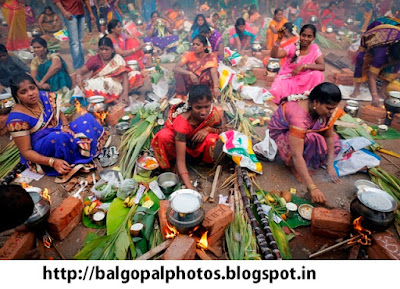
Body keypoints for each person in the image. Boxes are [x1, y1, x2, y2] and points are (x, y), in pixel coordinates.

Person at [6, 73, 109, 177]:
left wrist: (65, 126)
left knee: (87, 118)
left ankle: (80, 149)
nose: (30, 93)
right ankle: (71, 158)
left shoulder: (44, 97)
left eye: (32, 88)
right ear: (17, 96)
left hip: (61, 132)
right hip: (43, 149)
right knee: (58, 137)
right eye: (23, 92)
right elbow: (26, 152)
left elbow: (59, 113)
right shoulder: (16, 119)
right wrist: (52, 162)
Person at [268, 82, 345, 203]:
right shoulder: (298, 118)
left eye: (334, 108)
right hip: (282, 135)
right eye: (329, 108)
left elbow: (329, 136)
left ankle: (311, 160)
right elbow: (297, 155)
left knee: (334, 140)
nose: (332, 112)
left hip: (301, 132)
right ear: (315, 103)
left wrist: (330, 164)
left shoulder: (324, 110)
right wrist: (312, 187)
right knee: (314, 139)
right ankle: (302, 169)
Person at [151, 85, 225, 190]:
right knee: (163, 136)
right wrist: (190, 187)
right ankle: (171, 164)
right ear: (190, 104)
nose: (203, 112)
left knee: (211, 139)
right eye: (198, 107)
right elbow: (181, 160)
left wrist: (207, 130)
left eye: (206, 106)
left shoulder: (213, 114)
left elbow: (222, 129)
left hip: (196, 146)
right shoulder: (182, 123)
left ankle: (201, 162)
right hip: (179, 148)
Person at [269, 24, 325, 104]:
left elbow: (322, 66)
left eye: (309, 36)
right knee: (275, 92)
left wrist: (303, 66)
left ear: (313, 38)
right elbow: (274, 55)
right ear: (300, 35)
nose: (306, 39)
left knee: (318, 75)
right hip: (287, 78)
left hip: (303, 78)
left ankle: (308, 98)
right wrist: (279, 38)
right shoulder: (293, 47)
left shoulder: (314, 48)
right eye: (303, 35)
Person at [76, 37, 142, 105]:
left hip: (119, 84)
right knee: (91, 85)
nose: (103, 52)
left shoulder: (117, 58)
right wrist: (78, 76)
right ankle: (113, 99)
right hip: (104, 86)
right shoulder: (95, 60)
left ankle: (122, 95)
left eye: (107, 49)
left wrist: (125, 93)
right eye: (101, 49)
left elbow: (125, 76)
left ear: (112, 50)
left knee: (135, 74)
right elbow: (80, 71)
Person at [352, 20, 400, 107]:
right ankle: (356, 88)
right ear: (388, 53)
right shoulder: (380, 52)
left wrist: (386, 66)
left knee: (394, 68)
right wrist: (374, 97)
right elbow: (371, 76)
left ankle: (382, 91)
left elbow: (395, 61)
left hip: (394, 38)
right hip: (372, 36)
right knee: (362, 60)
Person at [53, 0, 96, 70]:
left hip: (80, 12)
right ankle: (77, 66)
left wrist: (91, 13)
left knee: (80, 41)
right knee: (74, 42)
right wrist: (64, 12)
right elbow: (56, 1)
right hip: (70, 13)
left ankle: (82, 64)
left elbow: (86, 0)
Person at [174, 35, 220, 100]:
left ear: (205, 47)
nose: (195, 47)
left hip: (204, 84)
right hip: (192, 82)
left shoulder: (211, 57)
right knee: (178, 73)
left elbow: (214, 72)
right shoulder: (189, 55)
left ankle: (207, 95)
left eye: (198, 45)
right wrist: (190, 73)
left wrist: (216, 87)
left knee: (210, 74)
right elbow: (176, 68)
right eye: (193, 44)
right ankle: (182, 96)